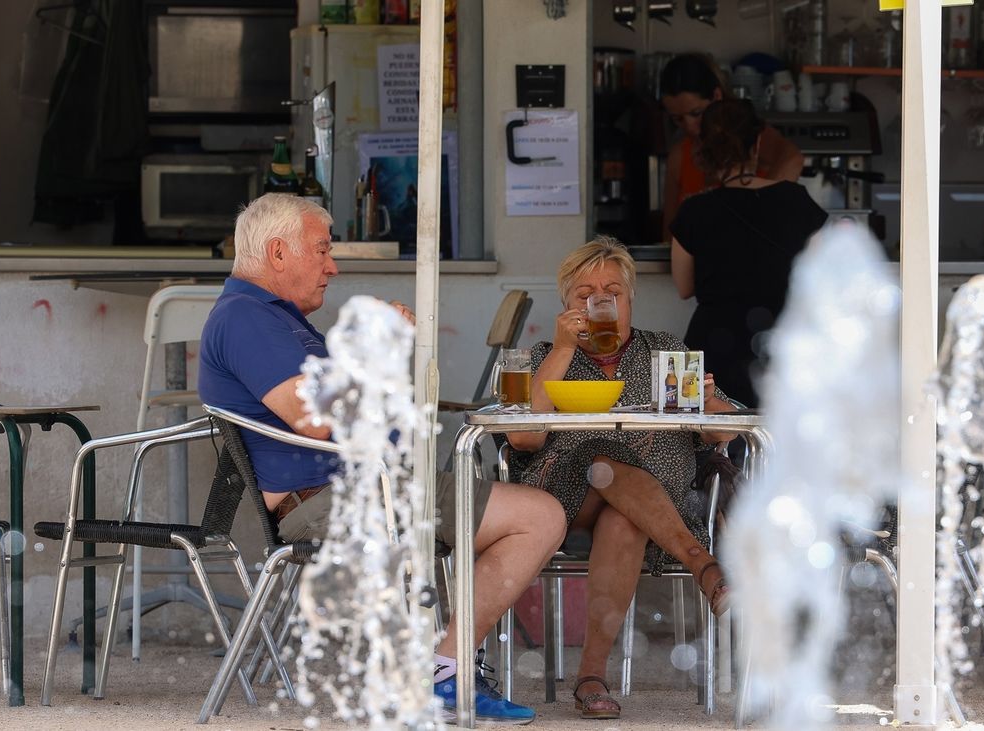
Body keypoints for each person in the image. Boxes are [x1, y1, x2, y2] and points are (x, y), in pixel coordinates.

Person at [197, 193, 564, 725]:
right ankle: (442, 673)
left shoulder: (274, 318)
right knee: (538, 517)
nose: (332, 266)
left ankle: (441, 668)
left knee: (537, 513)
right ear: (277, 254)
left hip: (371, 489)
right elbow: (316, 418)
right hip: (335, 501)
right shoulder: (247, 317)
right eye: (320, 250)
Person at [504, 237, 737, 721]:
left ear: (631, 299)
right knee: (601, 460)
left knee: (623, 520)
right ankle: (704, 565)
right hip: (565, 500)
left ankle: (591, 678)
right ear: (567, 306)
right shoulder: (547, 355)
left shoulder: (665, 351)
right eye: (584, 294)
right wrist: (565, 349)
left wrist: (710, 400)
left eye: (612, 291)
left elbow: (722, 432)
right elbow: (524, 440)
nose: (599, 303)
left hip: (655, 505)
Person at [670, 99, 829, 407]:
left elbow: (684, 287)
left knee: (698, 444)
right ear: (756, 143)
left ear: (703, 148)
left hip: (707, 354)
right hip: (782, 347)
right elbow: (821, 280)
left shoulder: (694, 210)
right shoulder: (797, 201)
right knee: (779, 444)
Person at [659, 53, 804, 233]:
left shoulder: (749, 133)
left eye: (696, 113)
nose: (690, 127)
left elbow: (793, 159)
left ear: (717, 96)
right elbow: (669, 233)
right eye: (677, 119)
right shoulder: (679, 155)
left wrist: (757, 212)